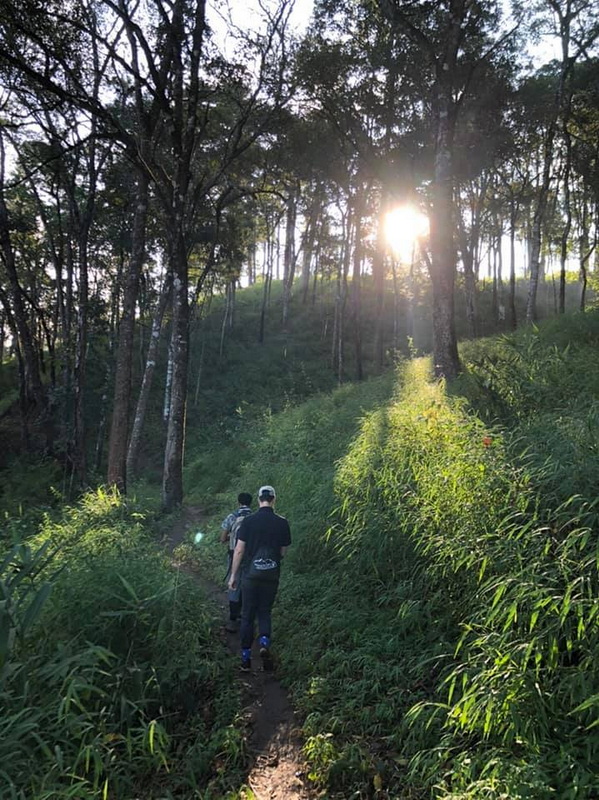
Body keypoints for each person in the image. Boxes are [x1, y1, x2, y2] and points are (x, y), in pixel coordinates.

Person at [228, 485, 291, 672]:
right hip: (271, 575)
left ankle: (246, 660)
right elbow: (283, 552)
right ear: (274, 499)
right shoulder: (282, 522)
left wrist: (233, 575)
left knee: (247, 616)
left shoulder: (248, 521)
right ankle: (264, 642)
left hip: (250, 576)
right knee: (264, 611)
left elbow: (239, 549)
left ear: (258, 500)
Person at [220, 492, 253, 632]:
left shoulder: (232, 516)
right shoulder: (254, 517)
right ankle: (247, 617)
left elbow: (222, 538)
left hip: (234, 554)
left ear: (238, 502)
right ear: (251, 503)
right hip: (251, 556)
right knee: (248, 583)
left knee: (234, 584)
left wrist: (232, 538)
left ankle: (233, 619)